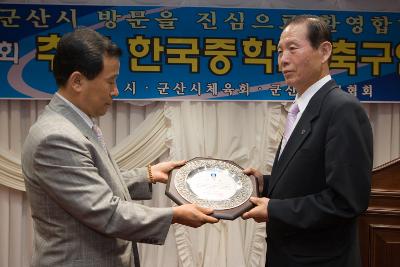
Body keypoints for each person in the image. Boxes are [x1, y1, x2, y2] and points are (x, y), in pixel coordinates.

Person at [21, 27, 218, 267]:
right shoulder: (56, 137)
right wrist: (174, 215)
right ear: (77, 81)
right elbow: (105, 211)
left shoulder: (74, 124)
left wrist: (146, 175)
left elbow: (92, 185)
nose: (115, 91)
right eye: (110, 82)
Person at [242, 15, 373, 267]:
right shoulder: (301, 109)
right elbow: (307, 181)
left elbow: (347, 201)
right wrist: (263, 184)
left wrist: (274, 210)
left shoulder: (342, 109)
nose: (283, 59)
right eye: (280, 51)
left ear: (324, 51)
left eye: (293, 48)